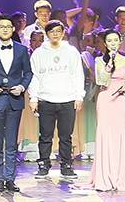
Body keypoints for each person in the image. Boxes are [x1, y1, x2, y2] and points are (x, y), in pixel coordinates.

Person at [0, 16, 33, 194]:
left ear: (13, 29)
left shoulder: (21, 49)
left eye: (8, 27)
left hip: (15, 100)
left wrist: (21, 87)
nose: (4, 29)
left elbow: (28, 73)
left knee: (11, 142)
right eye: (1, 27)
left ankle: (10, 178)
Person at [83, 29, 125, 191]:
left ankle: (123, 177)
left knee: (121, 135)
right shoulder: (99, 61)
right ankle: (105, 178)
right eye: (109, 41)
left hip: (121, 101)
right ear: (105, 43)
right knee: (106, 136)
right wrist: (109, 64)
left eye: (115, 40)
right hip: (106, 100)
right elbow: (101, 81)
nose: (113, 43)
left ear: (120, 42)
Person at [28, 20, 85, 179]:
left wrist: (79, 96)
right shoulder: (39, 53)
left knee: (66, 136)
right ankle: (43, 164)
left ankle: (66, 165)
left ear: (63, 32)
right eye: (52, 31)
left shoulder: (71, 51)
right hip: (45, 99)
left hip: (67, 99)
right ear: (47, 34)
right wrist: (33, 98)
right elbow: (34, 76)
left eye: (58, 31)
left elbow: (77, 74)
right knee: (45, 135)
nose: (55, 34)